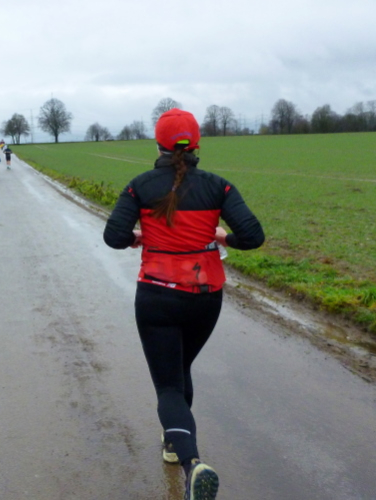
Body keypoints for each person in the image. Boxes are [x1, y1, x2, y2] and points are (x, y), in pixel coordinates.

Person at [103, 108, 264, 500]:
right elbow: (252, 236)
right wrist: (223, 238)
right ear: (197, 144)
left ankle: (192, 463)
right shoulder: (218, 187)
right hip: (205, 296)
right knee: (180, 368)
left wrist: (135, 238)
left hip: (157, 294)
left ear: (157, 143)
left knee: (169, 386)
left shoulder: (139, 187)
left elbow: (113, 236)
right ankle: (174, 445)